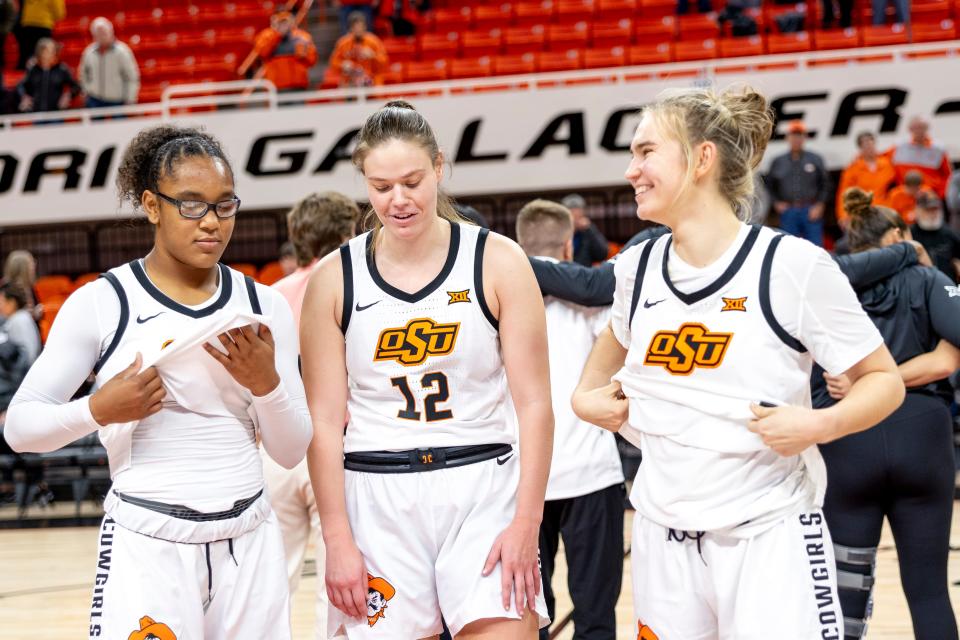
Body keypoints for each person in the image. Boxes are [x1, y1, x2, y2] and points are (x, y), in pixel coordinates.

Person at [571, 86, 903, 638]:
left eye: (646, 151)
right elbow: (607, 351)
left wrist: (821, 424)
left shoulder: (791, 265)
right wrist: (584, 398)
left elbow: (884, 382)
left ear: (703, 158)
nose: (632, 169)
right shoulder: (638, 267)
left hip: (768, 533)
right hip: (663, 533)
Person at [2, 124, 312, 639]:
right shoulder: (103, 302)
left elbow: (290, 449)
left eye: (224, 205)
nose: (211, 222)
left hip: (249, 539)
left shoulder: (265, 305)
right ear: (151, 205)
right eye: (191, 205)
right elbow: (20, 426)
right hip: (148, 542)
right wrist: (98, 409)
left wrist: (268, 385)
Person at [301, 100, 551, 639]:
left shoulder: (497, 260)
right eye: (381, 186)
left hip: (482, 485)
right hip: (376, 494)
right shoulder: (334, 278)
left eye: (412, 181)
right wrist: (337, 537)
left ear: (439, 166)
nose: (398, 200)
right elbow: (322, 422)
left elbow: (535, 405)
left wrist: (527, 521)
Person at [814, 188, 960, 640]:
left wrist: (864, 382)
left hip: (846, 437)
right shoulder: (927, 280)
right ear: (897, 236)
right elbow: (946, 360)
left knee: (843, 597)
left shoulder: (825, 284)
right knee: (930, 591)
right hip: (922, 436)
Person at [516, 199, 624, 640]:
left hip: (521, 482)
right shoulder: (595, 303)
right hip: (591, 476)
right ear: (567, 245)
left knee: (527, 615)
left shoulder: (495, 300)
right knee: (596, 616)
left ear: (520, 243)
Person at [263, 191, 358, 640]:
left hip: (274, 449)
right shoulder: (354, 282)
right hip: (334, 445)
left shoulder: (271, 295)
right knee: (336, 581)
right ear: (346, 233)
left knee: (269, 581)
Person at [767, 120, 831, 246]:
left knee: (816, 247)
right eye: (793, 135)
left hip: (811, 210)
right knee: (789, 247)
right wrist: (776, 202)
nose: (796, 139)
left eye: (799, 135)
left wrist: (820, 205)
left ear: (804, 138)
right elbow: (769, 185)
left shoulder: (815, 159)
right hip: (788, 211)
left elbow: (826, 184)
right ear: (787, 138)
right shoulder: (778, 161)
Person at [836, 132, 897, 226]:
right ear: (860, 148)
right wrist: (843, 215)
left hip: (883, 211)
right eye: (866, 146)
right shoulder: (853, 168)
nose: (870, 149)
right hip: (862, 213)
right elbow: (844, 193)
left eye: (871, 145)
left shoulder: (886, 164)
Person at [79, 17, 140, 109]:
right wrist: (86, 91)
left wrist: (130, 98)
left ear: (111, 32)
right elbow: (83, 74)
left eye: (104, 33)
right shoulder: (89, 52)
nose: (102, 37)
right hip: (94, 99)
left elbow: (132, 76)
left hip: (117, 100)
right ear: (94, 36)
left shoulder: (122, 51)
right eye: (98, 34)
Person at [887, 116, 953, 199]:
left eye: (922, 128)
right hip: (906, 194)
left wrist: (941, 194)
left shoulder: (937, 149)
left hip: (929, 195)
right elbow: (882, 163)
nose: (919, 131)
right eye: (916, 128)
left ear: (927, 129)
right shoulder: (899, 147)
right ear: (910, 129)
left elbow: (947, 175)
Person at [253, 9, 318, 93]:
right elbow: (262, 53)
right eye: (280, 22)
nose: (283, 25)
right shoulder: (266, 36)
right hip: (275, 87)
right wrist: (277, 35)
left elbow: (312, 60)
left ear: (291, 22)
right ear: (273, 23)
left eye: (285, 22)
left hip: (298, 85)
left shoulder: (302, 36)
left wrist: (304, 54)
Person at [16, 38, 81, 114]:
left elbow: (76, 86)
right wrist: (24, 97)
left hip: (56, 114)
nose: (49, 54)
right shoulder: (33, 69)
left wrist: (68, 95)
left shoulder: (61, 69)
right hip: (36, 113)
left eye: (52, 51)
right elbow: (21, 86)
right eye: (46, 51)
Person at [329, 11, 388, 88]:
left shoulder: (374, 41)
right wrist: (342, 65)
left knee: (377, 88)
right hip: (350, 81)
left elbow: (384, 62)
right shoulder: (343, 43)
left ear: (365, 27)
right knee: (342, 89)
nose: (358, 30)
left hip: (371, 81)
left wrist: (373, 55)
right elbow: (333, 62)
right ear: (350, 28)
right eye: (355, 27)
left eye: (360, 27)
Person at [911, 190, 960, 281]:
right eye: (928, 210)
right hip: (919, 284)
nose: (933, 214)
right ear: (918, 210)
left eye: (935, 209)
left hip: (947, 284)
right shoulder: (910, 234)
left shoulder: (950, 233)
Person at [561, 194, 610, 266]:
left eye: (579, 217)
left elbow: (602, 254)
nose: (576, 221)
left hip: (584, 272)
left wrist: (590, 229)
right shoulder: (559, 232)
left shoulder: (588, 231)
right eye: (572, 217)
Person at [14, 0, 64, 70]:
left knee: (27, 55)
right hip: (44, 24)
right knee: (44, 55)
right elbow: (59, 13)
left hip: (28, 23)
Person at [0, 282, 41, 365]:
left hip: (24, 374)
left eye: (1, 301)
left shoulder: (19, 320)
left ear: (12, 303)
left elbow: (30, 356)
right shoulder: (19, 317)